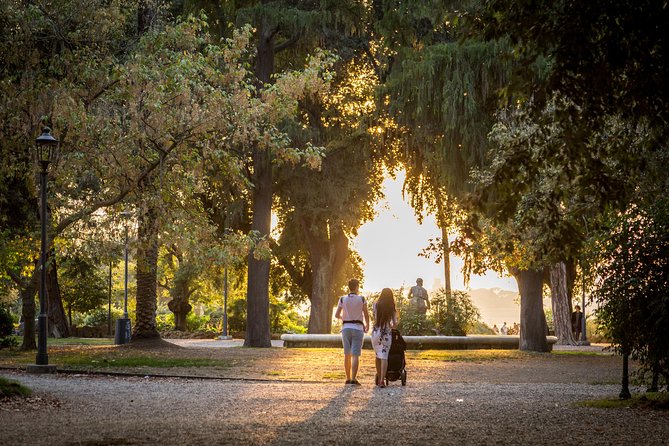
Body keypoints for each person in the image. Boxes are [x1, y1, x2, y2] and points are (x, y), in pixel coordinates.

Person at [335, 278, 370, 385]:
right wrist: (367, 324)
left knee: (347, 354)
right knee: (355, 355)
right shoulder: (362, 299)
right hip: (358, 328)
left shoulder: (342, 299)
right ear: (357, 287)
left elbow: (336, 315)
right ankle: (354, 378)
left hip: (346, 328)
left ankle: (347, 378)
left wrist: (344, 318)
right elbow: (366, 314)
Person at [372, 288, 399, 388]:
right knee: (384, 356)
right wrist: (391, 326)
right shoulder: (391, 307)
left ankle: (379, 377)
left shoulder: (375, 304)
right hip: (386, 333)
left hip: (376, 332)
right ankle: (382, 380)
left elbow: (375, 317)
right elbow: (395, 324)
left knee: (377, 355)